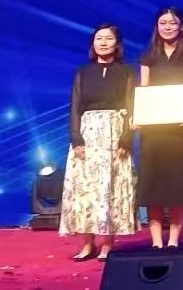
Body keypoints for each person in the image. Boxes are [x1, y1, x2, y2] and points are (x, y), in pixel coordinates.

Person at [60, 23, 139, 261]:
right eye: (99, 39)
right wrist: (76, 139)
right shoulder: (83, 72)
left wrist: (126, 138)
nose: (103, 43)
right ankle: (87, 244)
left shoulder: (126, 72)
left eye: (109, 38)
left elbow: (131, 106)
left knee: (110, 188)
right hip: (88, 134)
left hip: (115, 133)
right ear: (93, 43)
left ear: (117, 44)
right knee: (86, 189)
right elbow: (76, 107)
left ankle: (107, 244)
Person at [137, 6, 183, 249]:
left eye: (172, 23)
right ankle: (156, 241)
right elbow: (144, 90)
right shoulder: (148, 55)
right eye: (163, 23)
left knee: (178, 186)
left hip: (179, 130)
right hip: (153, 132)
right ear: (157, 27)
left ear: (181, 26)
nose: (168, 27)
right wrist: (141, 114)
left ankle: (174, 240)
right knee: (153, 186)